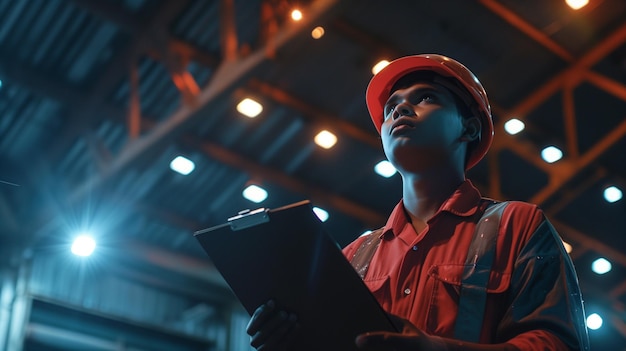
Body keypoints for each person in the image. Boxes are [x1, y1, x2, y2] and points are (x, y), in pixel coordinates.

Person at [246, 54, 590, 350]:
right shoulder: (352, 258)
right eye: (392, 106)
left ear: (469, 128)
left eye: (425, 98)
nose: (401, 109)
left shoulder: (517, 225)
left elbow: (557, 343)